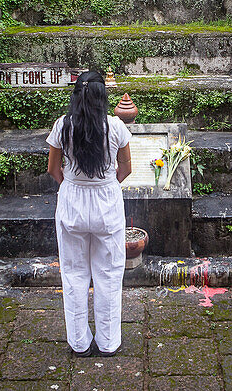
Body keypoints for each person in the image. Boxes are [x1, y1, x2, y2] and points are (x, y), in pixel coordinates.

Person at [46, 71, 132, 357]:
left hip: (72, 201)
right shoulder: (116, 127)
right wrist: (104, 186)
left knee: (73, 272)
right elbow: (126, 169)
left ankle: (80, 343)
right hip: (107, 202)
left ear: (76, 95)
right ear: (102, 97)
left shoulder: (63, 126)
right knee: (108, 273)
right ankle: (108, 342)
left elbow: (53, 169)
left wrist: (73, 186)